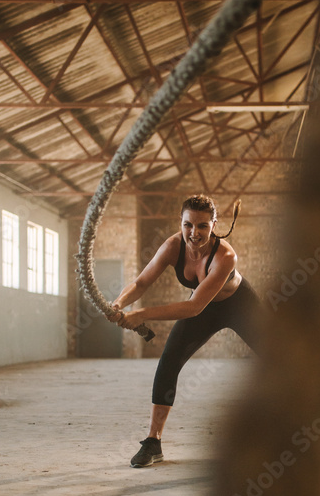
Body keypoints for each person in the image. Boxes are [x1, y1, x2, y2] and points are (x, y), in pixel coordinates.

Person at [109, 193, 261, 467]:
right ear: (180, 222)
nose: (194, 232)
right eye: (188, 224)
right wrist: (119, 303)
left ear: (214, 225)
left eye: (203, 225)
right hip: (202, 308)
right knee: (169, 361)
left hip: (239, 305)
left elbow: (193, 307)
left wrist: (141, 314)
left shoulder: (226, 256)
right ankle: (153, 442)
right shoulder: (172, 246)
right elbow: (142, 282)